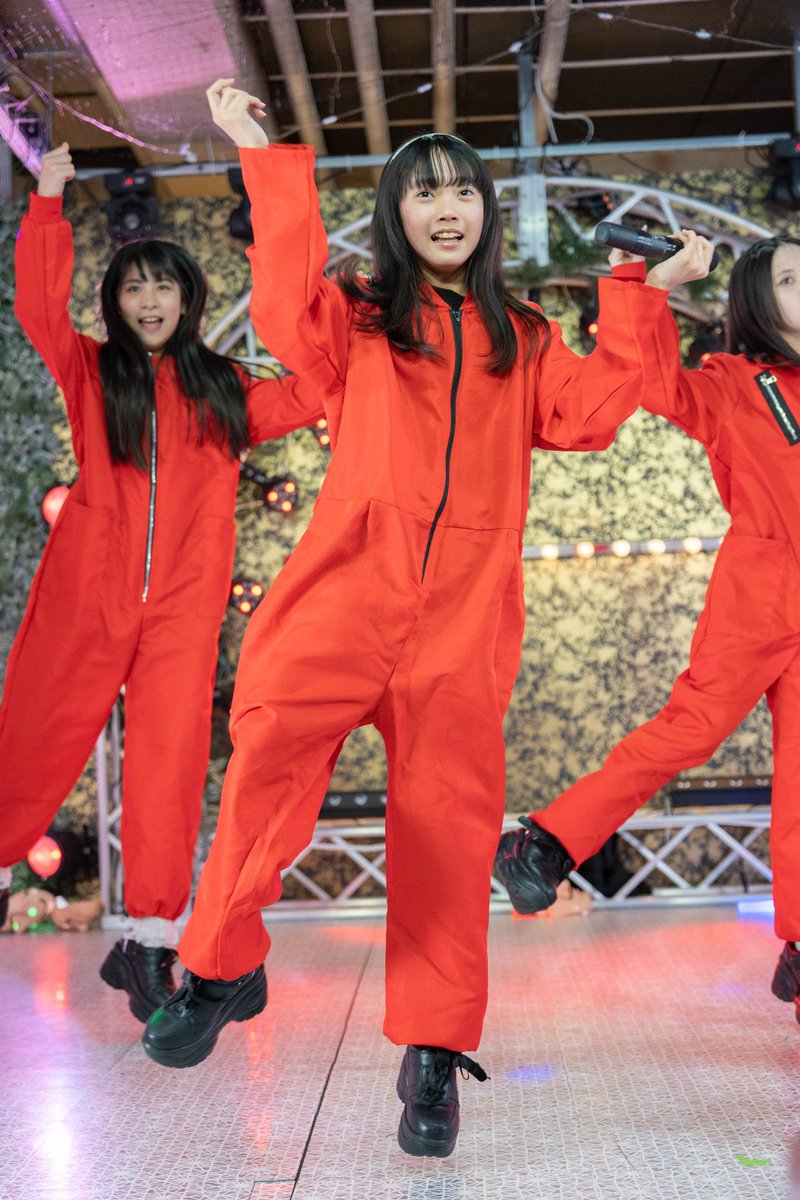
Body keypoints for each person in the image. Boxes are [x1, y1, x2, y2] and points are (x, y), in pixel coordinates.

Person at [141, 79, 708, 1159]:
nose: (446, 210)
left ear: (485, 209)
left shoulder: (524, 336)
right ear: (395, 212)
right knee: (267, 751)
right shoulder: (354, 317)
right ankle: (218, 967)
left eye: (463, 192)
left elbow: (591, 417)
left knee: (447, 830)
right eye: (423, 192)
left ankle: (433, 1054)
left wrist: (640, 288)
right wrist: (261, 152)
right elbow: (280, 304)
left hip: (463, 617)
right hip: (344, 591)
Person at [0, 142, 324, 1021]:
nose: (148, 301)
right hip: (88, 590)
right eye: (134, 288)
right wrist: (47, 201)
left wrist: (335, 296)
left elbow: (316, 388)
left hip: (184, 610)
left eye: (164, 287)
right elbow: (37, 308)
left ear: (189, 299)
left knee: (169, 769)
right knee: (35, 730)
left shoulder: (226, 389)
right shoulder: (92, 372)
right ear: (115, 302)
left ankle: (149, 941)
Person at [495, 235, 800, 1024]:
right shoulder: (734, 381)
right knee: (689, 730)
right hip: (764, 587)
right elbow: (658, 383)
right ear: (758, 301)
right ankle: (547, 842)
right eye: (790, 279)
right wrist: (649, 284)